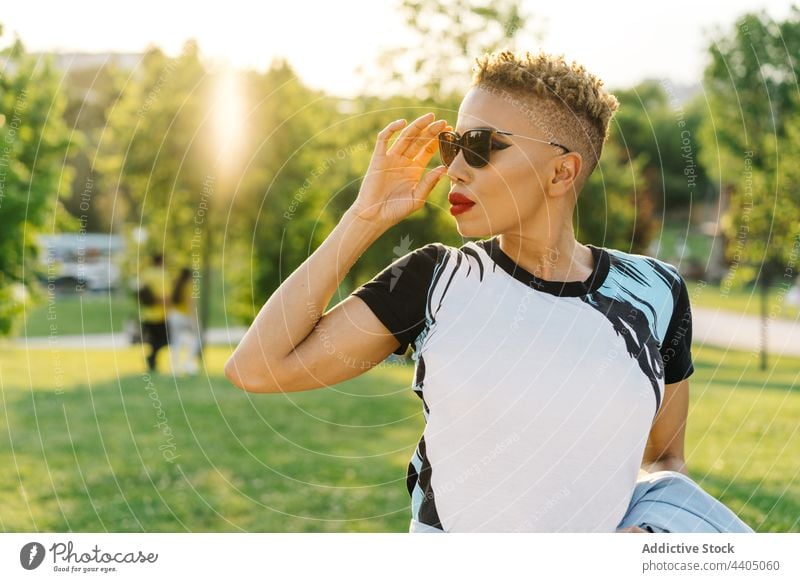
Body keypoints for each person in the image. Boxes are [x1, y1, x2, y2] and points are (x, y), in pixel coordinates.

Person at [225, 51, 752, 533]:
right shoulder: (432, 281)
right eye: (452, 145)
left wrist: (650, 538)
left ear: (561, 171)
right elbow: (255, 368)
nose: (453, 168)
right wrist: (362, 219)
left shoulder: (656, 294)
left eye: (479, 147)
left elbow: (664, 463)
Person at [138, 253, 170, 373]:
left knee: (153, 342)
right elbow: (166, 297)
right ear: (161, 261)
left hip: (146, 314)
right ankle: (151, 359)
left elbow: (141, 293)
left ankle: (152, 362)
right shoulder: (163, 275)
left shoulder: (146, 273)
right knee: (166, 340)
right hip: (160, 315)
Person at [167, 267, 200, 376]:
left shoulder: (176, 284)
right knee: (195, 341)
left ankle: (175, 369)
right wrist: (194, 321)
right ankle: (188, 364)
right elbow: (190, 304)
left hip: (173, 315)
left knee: (176, 342)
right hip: (184, 317)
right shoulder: (189, 286)